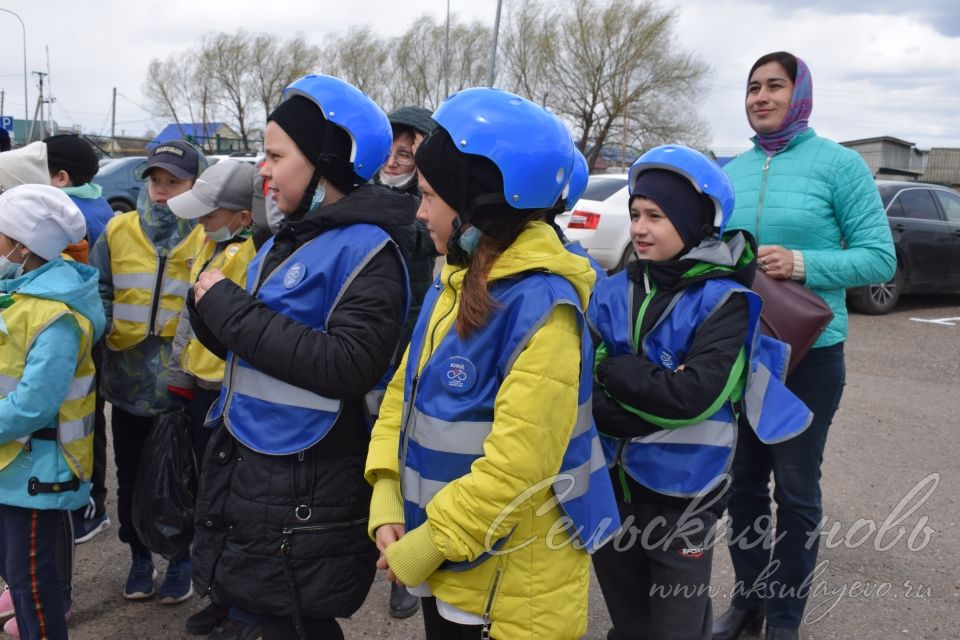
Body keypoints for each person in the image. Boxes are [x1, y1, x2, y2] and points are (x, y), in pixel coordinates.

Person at [365, 86, 619, 640]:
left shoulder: (544, 311)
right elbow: (399, 400)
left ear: (479, 205)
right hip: (449, 560)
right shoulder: (452, 282)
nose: (419, 208)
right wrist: (387, 495)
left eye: (430, 194)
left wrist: (424, 546)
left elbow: (516, 470)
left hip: (506, 588)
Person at [188, 74, 411, 640]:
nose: (261, 169)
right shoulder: (287, 239)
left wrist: (230, 310)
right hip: (259, 471)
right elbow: (261, 350)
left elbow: (346, 364)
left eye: (275, 155)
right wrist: (209, 313)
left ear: (325, 163)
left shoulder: (370, 251)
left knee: (292, 620)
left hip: (306, 485)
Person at [589, 145, 810, 640]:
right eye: (635, 214)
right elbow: (585, 376)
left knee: (678, 624)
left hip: (684, 493)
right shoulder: (610, 290)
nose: (640, 228)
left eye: (656, 216)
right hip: (611, 483)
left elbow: (692, 397)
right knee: (628, 618)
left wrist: (617, 372)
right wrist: (644, 391)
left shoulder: (724, 302)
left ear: (691, 224)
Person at [714, 52, 895, 640]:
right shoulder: (733, 171)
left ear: (800, 94)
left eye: (774, 86)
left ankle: (785, 616)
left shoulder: (839, 166)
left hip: (810, 356)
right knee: (741, 486)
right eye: (752, 88)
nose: (761, 97)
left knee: (794, 490)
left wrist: (803, 263)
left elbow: (879, 257)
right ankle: (748, 601)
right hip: (740, 352)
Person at [89, 139, 206, 605]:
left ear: (195, 185)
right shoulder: (117, 231)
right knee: (132, 472)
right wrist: (106, 320)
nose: (161, 191)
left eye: (173, 182)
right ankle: (139, 555)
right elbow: (98, 286)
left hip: (182, 383)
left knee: (182, 477)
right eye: (155, 181)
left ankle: (180, 559)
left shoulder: (205, 233)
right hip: (128, 380)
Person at [0, 184, 104, 640]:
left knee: (33, 587)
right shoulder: (17, 294)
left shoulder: (56, 317)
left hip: (40, 471)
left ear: (23, 247)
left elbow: (33, 405)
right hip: (12, 465)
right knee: (16, 576)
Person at [165, 159, 260, 639]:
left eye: (210, 214)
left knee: (236, 504)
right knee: (210, 499)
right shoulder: (208, 243)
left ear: (244, 215)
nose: (200, 223)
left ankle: (244, 610)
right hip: (201, 388)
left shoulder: (252, 253)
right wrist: (179, 368)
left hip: (232, 391)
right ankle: (221, 598)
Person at [43, 133, 115, 545]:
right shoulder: (98, 203)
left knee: (79, 422)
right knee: (86, 418)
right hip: (92, 333)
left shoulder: (72, 213)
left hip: (78, 336)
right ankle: (90, 502)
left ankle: (89, 506)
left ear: (62, 176)